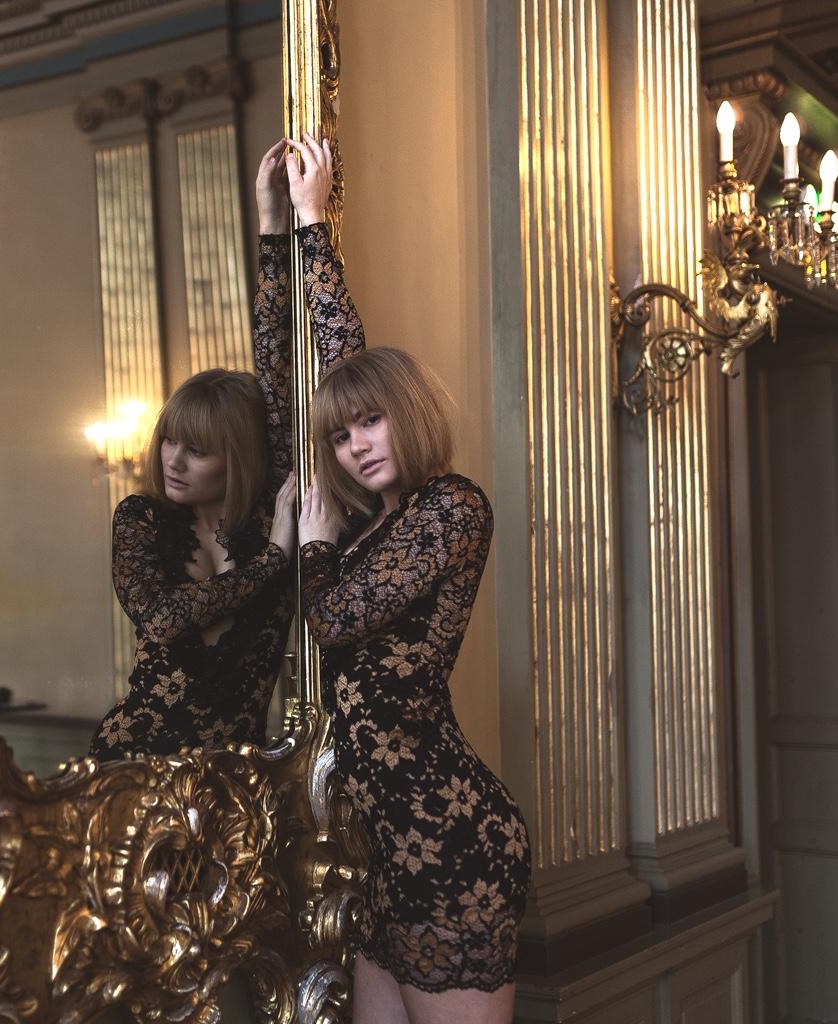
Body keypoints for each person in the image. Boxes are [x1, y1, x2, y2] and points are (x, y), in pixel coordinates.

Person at [288, 133, 531, 1024]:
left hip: (452, 842)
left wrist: (312, 547)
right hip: (384, 850)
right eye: (340, 435)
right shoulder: (374, 526)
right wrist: (306, 222)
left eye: (371, 424)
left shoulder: (450, 508)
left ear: (408, 414)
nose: (355, 445)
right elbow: (339, 358)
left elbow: (333, 618)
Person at [89, 141, 301, 760]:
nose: (172, 461)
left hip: (234, 783)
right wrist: (271, 562)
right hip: (133, 764)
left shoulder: (265, 512)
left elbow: (277, 355)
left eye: (199, 450)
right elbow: (161, 620)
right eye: (170, 441)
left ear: (240, 459)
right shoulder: (141, 519)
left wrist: (273, 223)